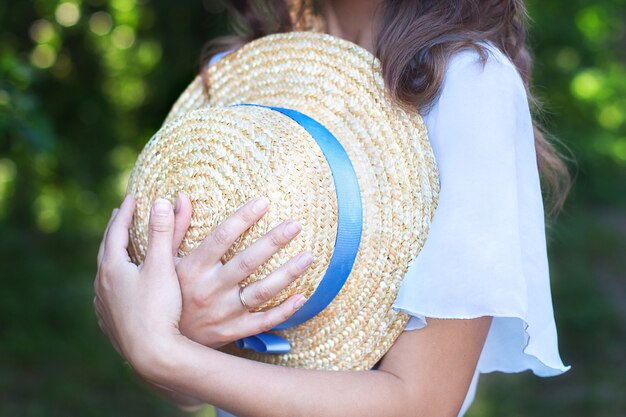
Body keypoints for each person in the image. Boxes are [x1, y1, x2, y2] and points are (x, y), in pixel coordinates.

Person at [93, 1, 572, 416]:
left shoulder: (469, 86)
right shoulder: (242, 74)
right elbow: (186, 389)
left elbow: (422, 403)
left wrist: (163, 351)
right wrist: (183, 342)